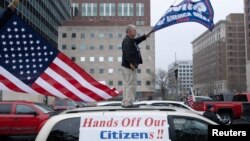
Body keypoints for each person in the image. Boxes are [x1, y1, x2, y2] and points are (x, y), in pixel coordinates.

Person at [121, 24, 151, 108]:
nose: (136, 32)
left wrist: (145, 36)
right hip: (129, 66)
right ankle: (128, 103)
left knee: (127, 84)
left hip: (127, 66)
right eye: (134, 30)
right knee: (131, 85)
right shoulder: (127, 41)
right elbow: (127, 53)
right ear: (129, 31)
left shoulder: (130, 40)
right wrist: (132, 63)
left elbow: (137, 40)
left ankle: (125, 102)